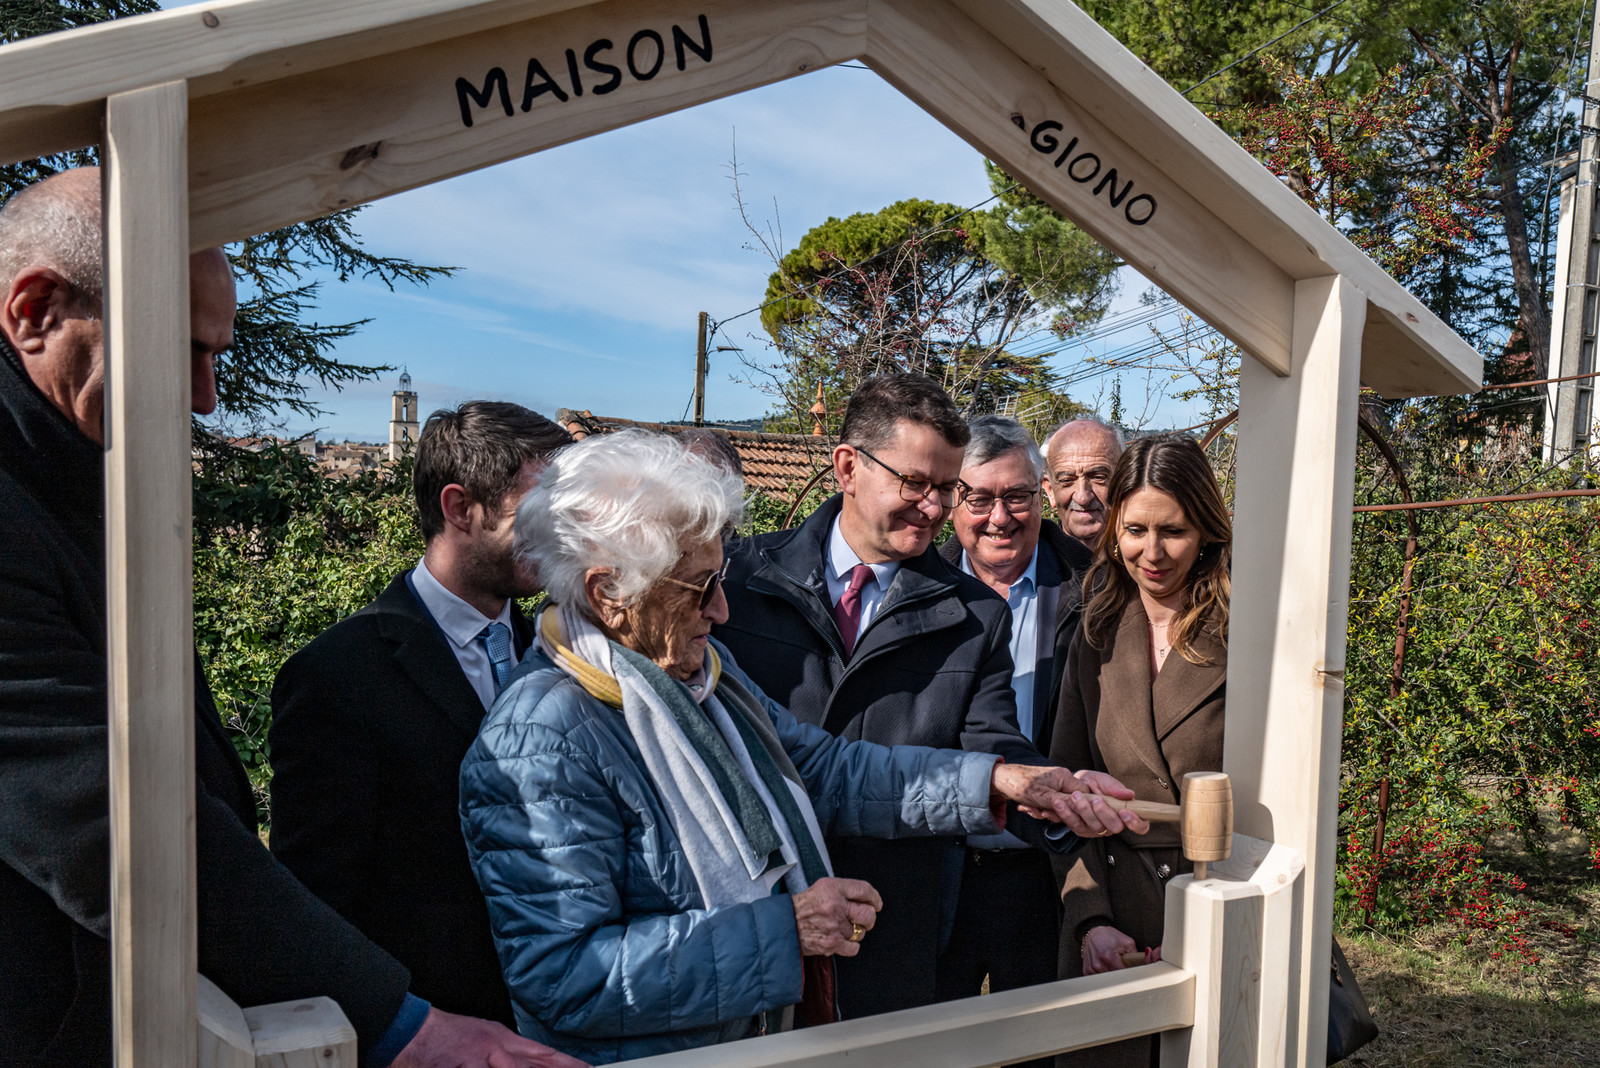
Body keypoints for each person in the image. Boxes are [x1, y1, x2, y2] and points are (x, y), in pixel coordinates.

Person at [0, 167, 582, 1068]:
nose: (205, 397)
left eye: (218, 356)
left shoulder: (71, 479)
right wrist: (399, 1025)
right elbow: (98, 818)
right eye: (183, 349)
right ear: (35, 311)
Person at [458, 430, 1147, 1064]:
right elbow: (566, 979)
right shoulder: (541, 739)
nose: (723, 609)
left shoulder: (701, 678)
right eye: (700, 587)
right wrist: (782, 932)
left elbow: (825, 768)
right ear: (608, 593)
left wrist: (1001, 784)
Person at [713, 373, 1072, 1020]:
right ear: (848, 466)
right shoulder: (737, 582)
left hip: (891, 938)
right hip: (747, 924)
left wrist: (1049, 797)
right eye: (916, 483)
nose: (935, 508)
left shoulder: (974, 617)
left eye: (946, 488)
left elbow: (992, 748)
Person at [270, 401, 571, 1027]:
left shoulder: (566, 650)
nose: (561, 536)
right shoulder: (337, 677)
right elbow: (320, 905)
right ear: (460, 509)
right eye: (541, 513)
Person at [1048, 433, 1231, 1068]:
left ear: (1207, 528)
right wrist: (1091, 920)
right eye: (1134, 530)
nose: (1151, 553)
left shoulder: (1250, 633)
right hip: (1114, 923)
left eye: (1173, 531)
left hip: (1216, 909)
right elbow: (1065, 792)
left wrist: (1212, 927)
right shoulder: (1095, 631)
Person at [934, 415, 1093, 1040]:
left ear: (1042, 495)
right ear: (953, 504)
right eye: (978, 497)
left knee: (1042, 1046)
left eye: (1017, 496)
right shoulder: (919, 593)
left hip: (1045, 871)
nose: (999, 517)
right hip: (939, 867)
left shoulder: (1094, 590)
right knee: (928, 1046)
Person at [1042, 417, 1124, 547]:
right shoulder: (1032, 564)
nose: (1083, 498)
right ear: (1050, 491)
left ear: (1122, 482)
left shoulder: (1147, 559)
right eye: (1067, 480)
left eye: (1098, 478)